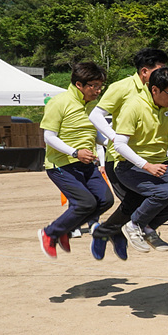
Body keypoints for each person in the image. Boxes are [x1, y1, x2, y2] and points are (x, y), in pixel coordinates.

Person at [89, 46, 168, 257]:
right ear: (144, 71)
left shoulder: (160, 89)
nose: (163, 74)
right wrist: (114, 138)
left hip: (150, 158)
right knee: (133, 203)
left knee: (137, 203)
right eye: (159, 69)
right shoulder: (122, 87)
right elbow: (96, 115)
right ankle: (109, 232)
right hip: (121, 158)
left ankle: (112, 231)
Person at [38, 62, 113, 260]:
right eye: (94, 86)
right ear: (79, 84)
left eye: (100, 86)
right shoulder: (59, 102)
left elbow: (95, 133)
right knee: (85, 203)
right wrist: (74, 152)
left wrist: (113, 143)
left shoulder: (91, 105)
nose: (98, 90)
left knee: (106, 200)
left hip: (86, 163)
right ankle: (50, 233)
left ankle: (65, 229)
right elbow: (49, 136)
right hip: (61, 165)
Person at [111, 66, 168, 252]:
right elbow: (119, 144)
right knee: (163, 193)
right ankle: (133, 225)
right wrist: (146, 166)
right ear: (154, 90)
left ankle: (147, 228)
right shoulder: (133, 106)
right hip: (129, 165)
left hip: (159, 163)